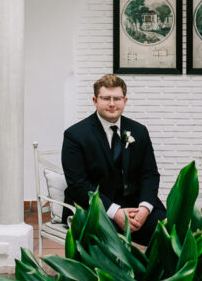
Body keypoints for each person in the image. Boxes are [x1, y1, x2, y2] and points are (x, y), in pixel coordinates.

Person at [61, 73, 166, 243]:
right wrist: (115, 212)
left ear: (125, 101)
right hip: (94, 208)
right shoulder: (75, 135)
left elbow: (150, 174)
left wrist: (144, 209)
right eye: (105, 98)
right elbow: (78, 185)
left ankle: (152, 270)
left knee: (170, 232)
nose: (111, 104)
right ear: (95, 101)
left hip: (135, 206)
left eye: (117, 98)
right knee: (106, 241)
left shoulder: (139, 131)